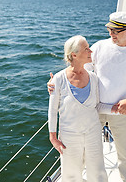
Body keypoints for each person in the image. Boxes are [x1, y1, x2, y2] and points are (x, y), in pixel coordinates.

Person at [49, 12, 126, 182]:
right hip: (93, 110)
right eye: (110, 29)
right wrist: (57, 83)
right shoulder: (99, 47)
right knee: (85, 154)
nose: (111, 34)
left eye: (116, 31)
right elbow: (82, 72)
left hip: (120, 111)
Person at [48, 35, 109, 182]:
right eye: (86, 48)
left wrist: (117, 109)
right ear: (74, 55)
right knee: (71, 175)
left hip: (93, 133)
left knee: (98, 173)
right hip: (69, 136)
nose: (90, 51)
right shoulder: (59, 78)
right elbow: (52, 111)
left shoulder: (93, 77)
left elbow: (98, 105)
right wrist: (53, 138)